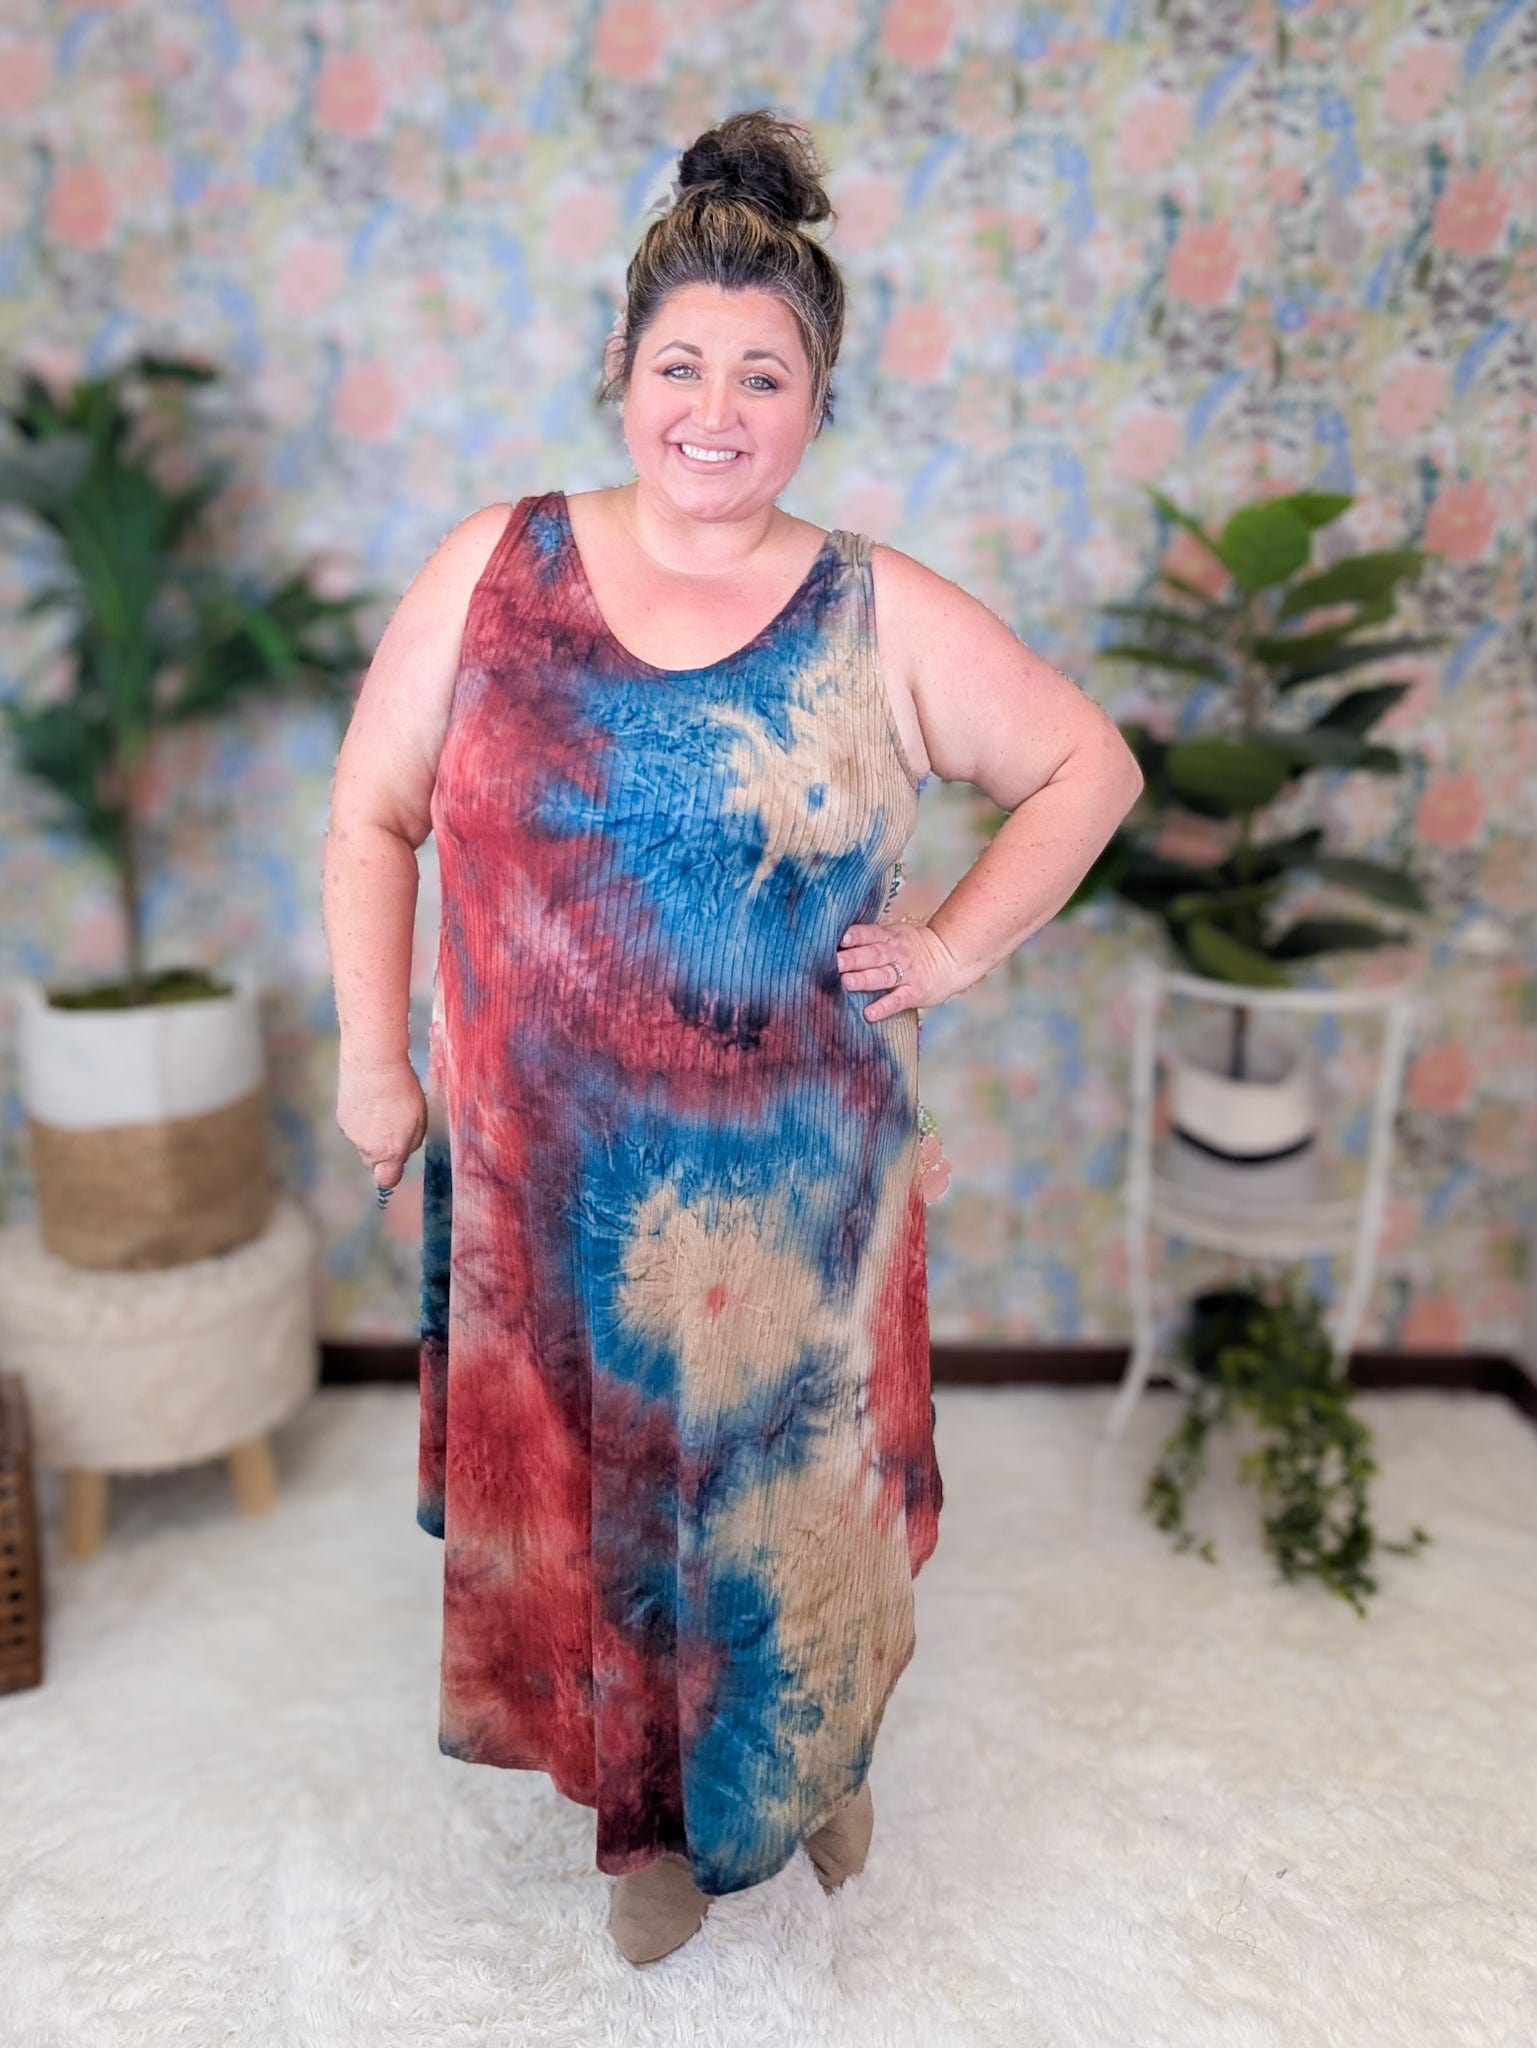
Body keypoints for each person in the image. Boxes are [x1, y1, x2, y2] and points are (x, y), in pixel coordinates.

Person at [322, 107, 1143, 1968]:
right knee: (599, 1523)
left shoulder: (875, 605)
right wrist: (378, 1061)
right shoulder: (492, 569)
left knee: (793, 1523)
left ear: (815, 402)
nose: (715, 407)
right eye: (680, 363)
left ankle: (811, 1761)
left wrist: (950, 944)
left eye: (762, 375)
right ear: (622, 372)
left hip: (798, 1218)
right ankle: (648, 1828)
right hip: (555, 1219)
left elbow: (1085, 767)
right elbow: (370, 814)